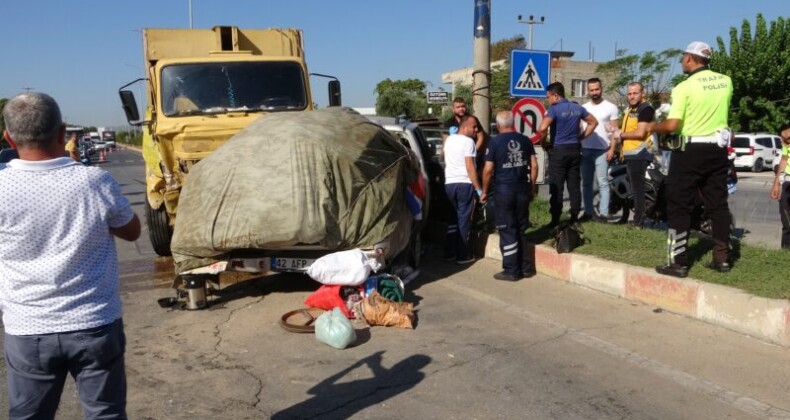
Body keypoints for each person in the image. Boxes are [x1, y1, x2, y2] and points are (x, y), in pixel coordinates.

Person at [0, 92, 141, 419]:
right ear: (62, 134)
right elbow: (132, 231)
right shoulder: (93, 181)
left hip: (28, 327)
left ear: (8, 137)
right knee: (105, 413)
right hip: (95, 323)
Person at [653, 41, 733, 278]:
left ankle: (678, 262)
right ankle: (722, 258)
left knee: (679, 205)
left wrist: (653, 127)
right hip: (718, 150)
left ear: (690, 58)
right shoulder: (726, 82)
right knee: (718, 204)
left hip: (689, 151)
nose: (681, 62)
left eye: (682, 58)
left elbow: (673, 125)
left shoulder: (683, 88)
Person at [480, 110, 539, 280]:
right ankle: (524, 267)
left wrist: (484, 191)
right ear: (513, 123)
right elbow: (534, 166)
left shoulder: (494, 142)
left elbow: (488, 170)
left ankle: (511, 270)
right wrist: (532, 186)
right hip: (522, 189)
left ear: (498, 125)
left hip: (504, 191)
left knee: (507, 229)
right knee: (520, 228)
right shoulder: (525, 140)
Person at [537, 82, 598, 227]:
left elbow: (542, 127)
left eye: (548, 97)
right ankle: (574, 217)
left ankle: (555, 220)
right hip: (575, 150)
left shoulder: (554, 109)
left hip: (558, 151)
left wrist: (543, 142)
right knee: (574, 185)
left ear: (556, 95)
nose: (548, 100)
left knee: (556, 186)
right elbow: (593, 123)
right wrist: (581, 137)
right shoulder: (578, 108)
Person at [610, 82, 656, 229]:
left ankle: (638, 223)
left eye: (635, 93)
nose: (631, 96)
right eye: (629, 93)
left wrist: (620, 134)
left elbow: (640, 133)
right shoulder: (630, 110)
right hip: (631, 155)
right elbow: (626, 132)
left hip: (640, 155)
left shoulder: (645, 109)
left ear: (642, 93)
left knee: (638, 190)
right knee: (634, 189)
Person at [443, 115, 483, 264]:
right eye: (474, 127)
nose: (476, 130)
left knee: (452, 219)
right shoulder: (468, 142)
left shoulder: (449, 140)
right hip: (464, 184)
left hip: (449, 183)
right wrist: (478, 189)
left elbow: (443, 158)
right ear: (465, 127)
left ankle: (449, 252)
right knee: (464, 219)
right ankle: (463, 254)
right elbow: (469, 166)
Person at [581, 78, 620, 222]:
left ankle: (603, 214)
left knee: (602, 182)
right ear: (588, 91)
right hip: (585, 150)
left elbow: (615, 131)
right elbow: (580, 128)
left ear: (601, 88)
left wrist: (612, 149)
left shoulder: (611, 107)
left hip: (602, 150)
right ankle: (588, 212)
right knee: (586, 183)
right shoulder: (583, 108)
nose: (594, 92)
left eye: (597, 89)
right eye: (591, 90)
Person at [442, 97, 487, 170]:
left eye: (463, 106)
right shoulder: (449, 123)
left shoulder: (473, 119)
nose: (461, 109)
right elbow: (445, 142)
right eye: (458, 107)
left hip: (474, 158)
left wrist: (474, 150)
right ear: (453, 109)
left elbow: (481, 137)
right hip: (457, 160)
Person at [770, 125, 790, 249]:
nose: (784, 142)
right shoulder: (786, 145)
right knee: (786, 219)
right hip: (788, 182)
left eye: (787, 139)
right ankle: (786, 251)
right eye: (782, 139)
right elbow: (783, 160)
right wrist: (776, 184)